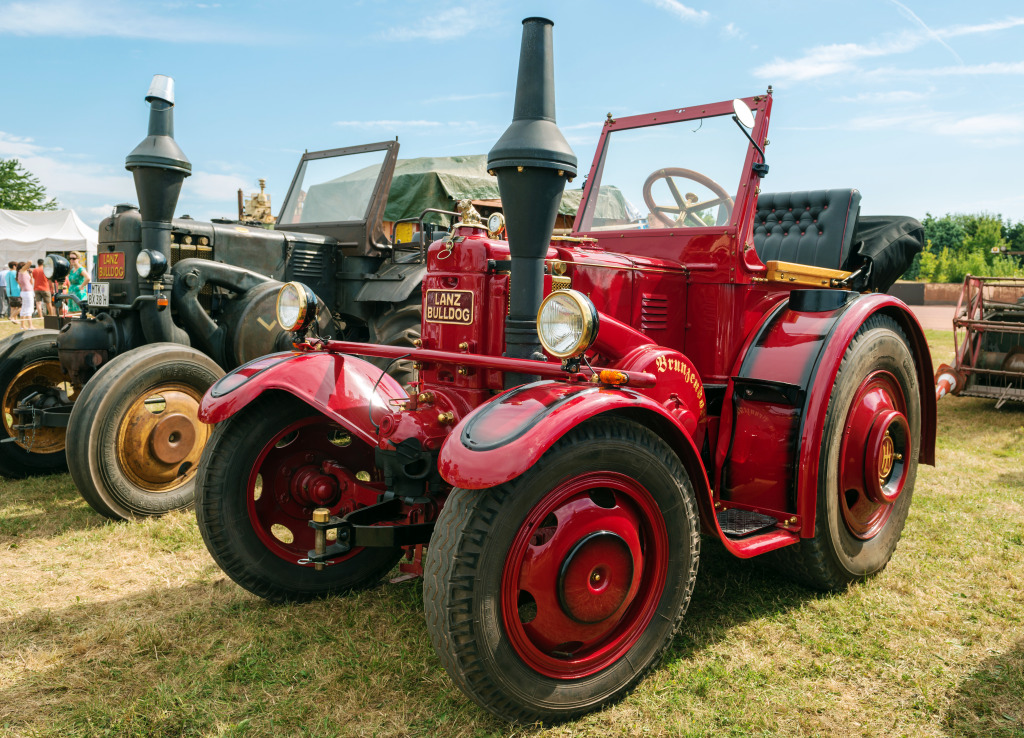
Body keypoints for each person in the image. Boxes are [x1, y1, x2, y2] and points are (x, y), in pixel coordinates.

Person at [17, 262, 34, 329]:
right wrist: (26, 266)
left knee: (24, 309)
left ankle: (22, 325)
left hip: (25, 292)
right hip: (27, 292)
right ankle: (30, 326)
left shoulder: (22, 273)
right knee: (29, 309)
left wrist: (31, 275)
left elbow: (31, 283)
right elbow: (30, 261)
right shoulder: (22, 271)